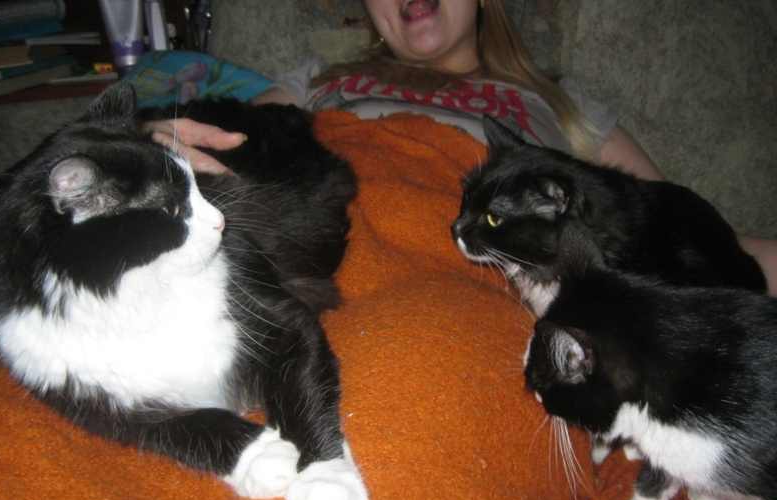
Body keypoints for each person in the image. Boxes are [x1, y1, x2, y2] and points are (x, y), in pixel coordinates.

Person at [147, 0, 777, 293]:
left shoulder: (559, 102)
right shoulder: (315, 81)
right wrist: (155, 152)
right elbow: (222, 144)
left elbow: (674, 227)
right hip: (312, 250)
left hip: (465, 280)